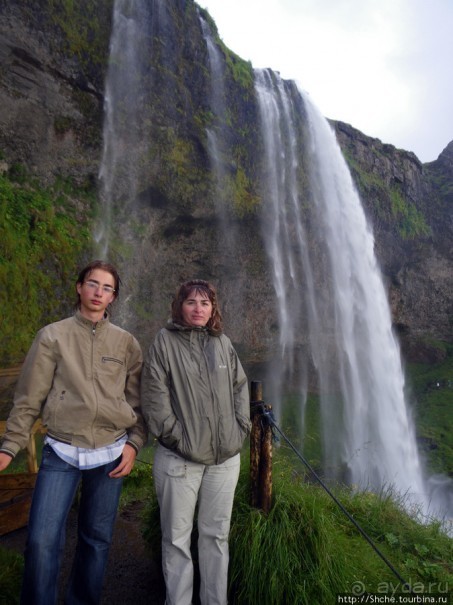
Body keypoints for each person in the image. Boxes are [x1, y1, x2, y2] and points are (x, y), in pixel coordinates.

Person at [0, 260, 146, 605]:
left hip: (111, 452)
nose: (99, 292)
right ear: (79, 287)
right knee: (41, 539)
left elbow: (139, 404)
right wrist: (9, 447)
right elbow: (28, 397)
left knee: (96, 539)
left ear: (113, 297)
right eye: (93, 284)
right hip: (62, 450)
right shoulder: (52, 335)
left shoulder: (127, 343)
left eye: (107, 287)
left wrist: (135, 445)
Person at [141, 279, 251, 605]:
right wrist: (177, 438)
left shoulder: (222, 343)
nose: (198, 309)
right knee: (176, 540)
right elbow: (154, 397)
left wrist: (240, 428)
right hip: (180, 459)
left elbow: (240, 388)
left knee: (216, 536)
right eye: (191, 302)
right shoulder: (164, 342)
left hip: (225, 459)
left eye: (205, 303)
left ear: (212, 308)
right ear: (180, 306)